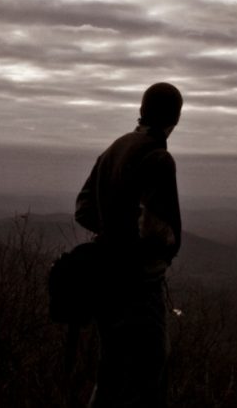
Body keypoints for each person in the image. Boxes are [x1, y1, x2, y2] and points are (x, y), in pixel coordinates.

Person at [74, 82, 183, 408]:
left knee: (110, 373)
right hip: (140, 284)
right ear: (175, 117)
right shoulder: (159, 157)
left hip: (105, 281)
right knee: (151, 370)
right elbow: (153, 228)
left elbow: (83, 209)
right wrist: (167, 243)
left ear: (142, 109)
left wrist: (110, 230)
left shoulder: (115, 148)